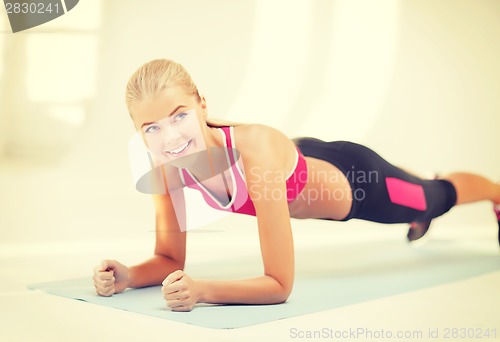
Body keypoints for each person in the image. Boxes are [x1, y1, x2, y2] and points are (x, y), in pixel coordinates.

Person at [93, 59, 500, 312]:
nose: (170, 139)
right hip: (301, 156)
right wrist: (128, 275)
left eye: (179, 116)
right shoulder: (165, 168)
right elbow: (168, 259)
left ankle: (496, 192)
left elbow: (279, 284)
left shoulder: (256, 157)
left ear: (202, 102)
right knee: (418, 190)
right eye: (152, 128)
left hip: (356, 183)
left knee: (434, 198)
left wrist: (202, 291)